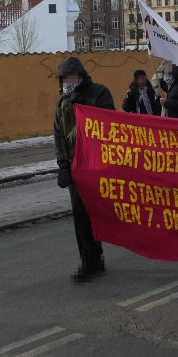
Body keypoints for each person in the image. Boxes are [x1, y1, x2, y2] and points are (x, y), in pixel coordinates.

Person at [53, 57, 115, 283]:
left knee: (104, 213)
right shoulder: (62, 104)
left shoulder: (99, 93)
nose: (67, 81)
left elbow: (109, 122)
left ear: (80, 75)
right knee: (80, 217)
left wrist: (83, 107)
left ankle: (97, 257)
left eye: (71, 76)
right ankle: (90, 260)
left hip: (96, 165)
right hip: (75, 167)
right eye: (64, 78)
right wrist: (63, 166)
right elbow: (59, 137)